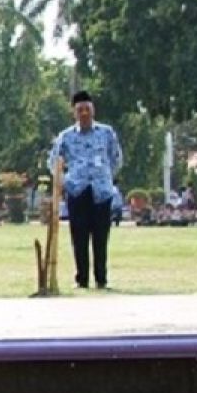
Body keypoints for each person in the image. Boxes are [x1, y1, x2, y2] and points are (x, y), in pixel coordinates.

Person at [48, 90, 123, 289]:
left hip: (101, 192)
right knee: (79, 237)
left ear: (93, 110)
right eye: (79, 110)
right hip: (77, 191)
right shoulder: (65, 137)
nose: (84, 113)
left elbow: (116, 158)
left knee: (100, 237)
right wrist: (65, 181)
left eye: (87, 109)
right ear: (74, 112)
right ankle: (82, 279)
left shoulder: (106, 133)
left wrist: (106, 176)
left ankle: (101, 279)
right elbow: (53, 163)